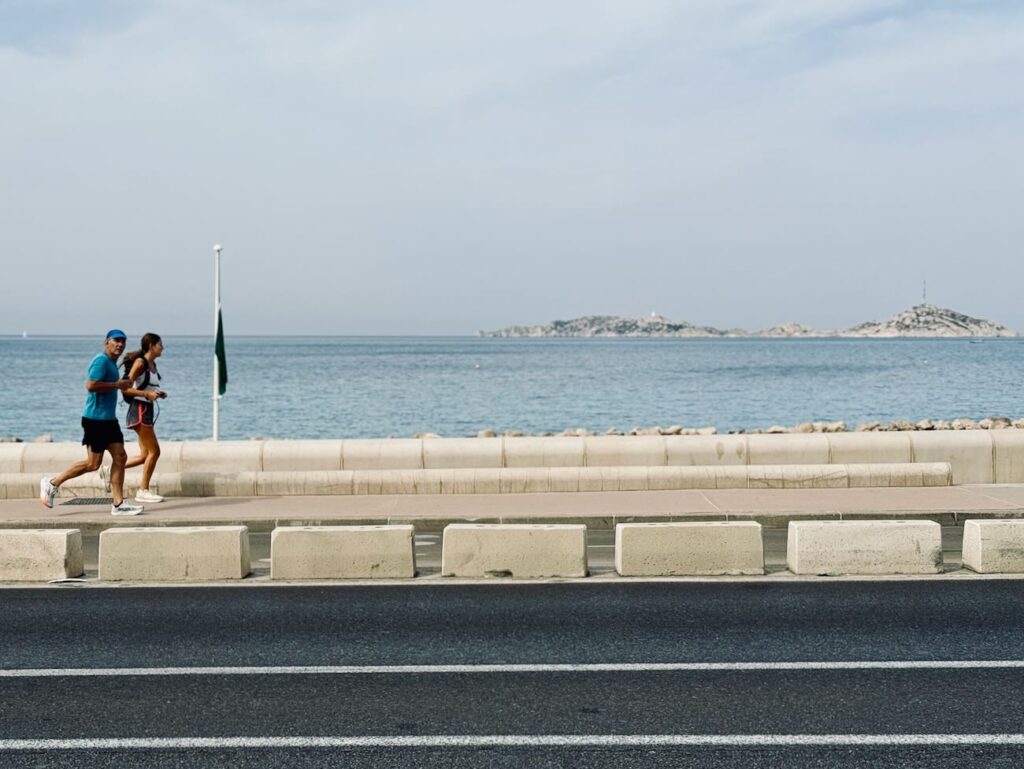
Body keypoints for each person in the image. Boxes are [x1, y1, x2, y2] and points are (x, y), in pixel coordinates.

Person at [39, 330, 145, 516]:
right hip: (95, 419)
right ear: (107, 342)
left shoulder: (112, 363)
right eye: (116, 341)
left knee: (120, 457)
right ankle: (53, 482)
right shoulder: (101, 360)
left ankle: (118, 504)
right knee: (93, 464)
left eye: (123, 342)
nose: (120, 344)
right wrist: (116, 385)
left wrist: (122, 384)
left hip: (109, 420)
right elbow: (90, 385)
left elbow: (112, 385)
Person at [118, 332, 167, 503]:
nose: (163, 347)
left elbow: (148, 387)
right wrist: (147, 394)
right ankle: (143, 490)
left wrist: (158, 394)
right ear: (151, 346)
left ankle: (110, 469)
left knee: (145, 455)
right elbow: (125, 388)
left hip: (147, 409)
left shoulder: (152, 364)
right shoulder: (140, 363)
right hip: (139, 410)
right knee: (155, 452)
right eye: (160, 344)